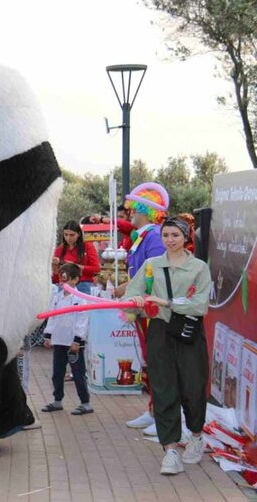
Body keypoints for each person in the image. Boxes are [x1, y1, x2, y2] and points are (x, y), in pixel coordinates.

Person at [123, 217, 212, 475]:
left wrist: (168, 303)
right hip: (160, 331)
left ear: (186, 237)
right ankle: (170, 451)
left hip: (188, 331)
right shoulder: (151, 265)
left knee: (194, 387)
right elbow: (132, 293)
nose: (170, 240)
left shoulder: (199, 268)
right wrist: (137, 300)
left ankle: (196, 435)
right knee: (163, 389)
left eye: (175, 235)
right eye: (166, 235)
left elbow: (200, 305)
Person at [117, 182, 170, 433]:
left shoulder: (155, 237)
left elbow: (157, 275)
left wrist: (130, 289)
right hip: (141, 308)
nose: (129, 213)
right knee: (150, 360)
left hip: (154, 311)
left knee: (159, 362)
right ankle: (153, 410)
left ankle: (164, 415)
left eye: (134, 209)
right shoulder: (143, 237)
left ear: (145, 211)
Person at [40, 264, 93, 416]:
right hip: (59, 341)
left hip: (73, 344)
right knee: (57, 373)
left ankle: (85, 403)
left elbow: (82, 320)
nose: (62, 282)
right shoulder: (57, 298)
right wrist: (48, 335)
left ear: (75, 280)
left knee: (78, 374)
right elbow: (52, 316)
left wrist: (77, 340)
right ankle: (57, 400)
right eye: (61, 278)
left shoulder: (80, 299)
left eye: (66, 278)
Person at [51, 220, 100, 295]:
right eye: (65, 235)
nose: (68, 238)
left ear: (79, 234)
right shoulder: (60, 249)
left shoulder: (87, 246)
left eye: (72, 235)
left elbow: (96, 268)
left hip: (82, 285)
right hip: (63, 286)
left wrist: (74, 266)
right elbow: (55, 275)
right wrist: (54, 266)